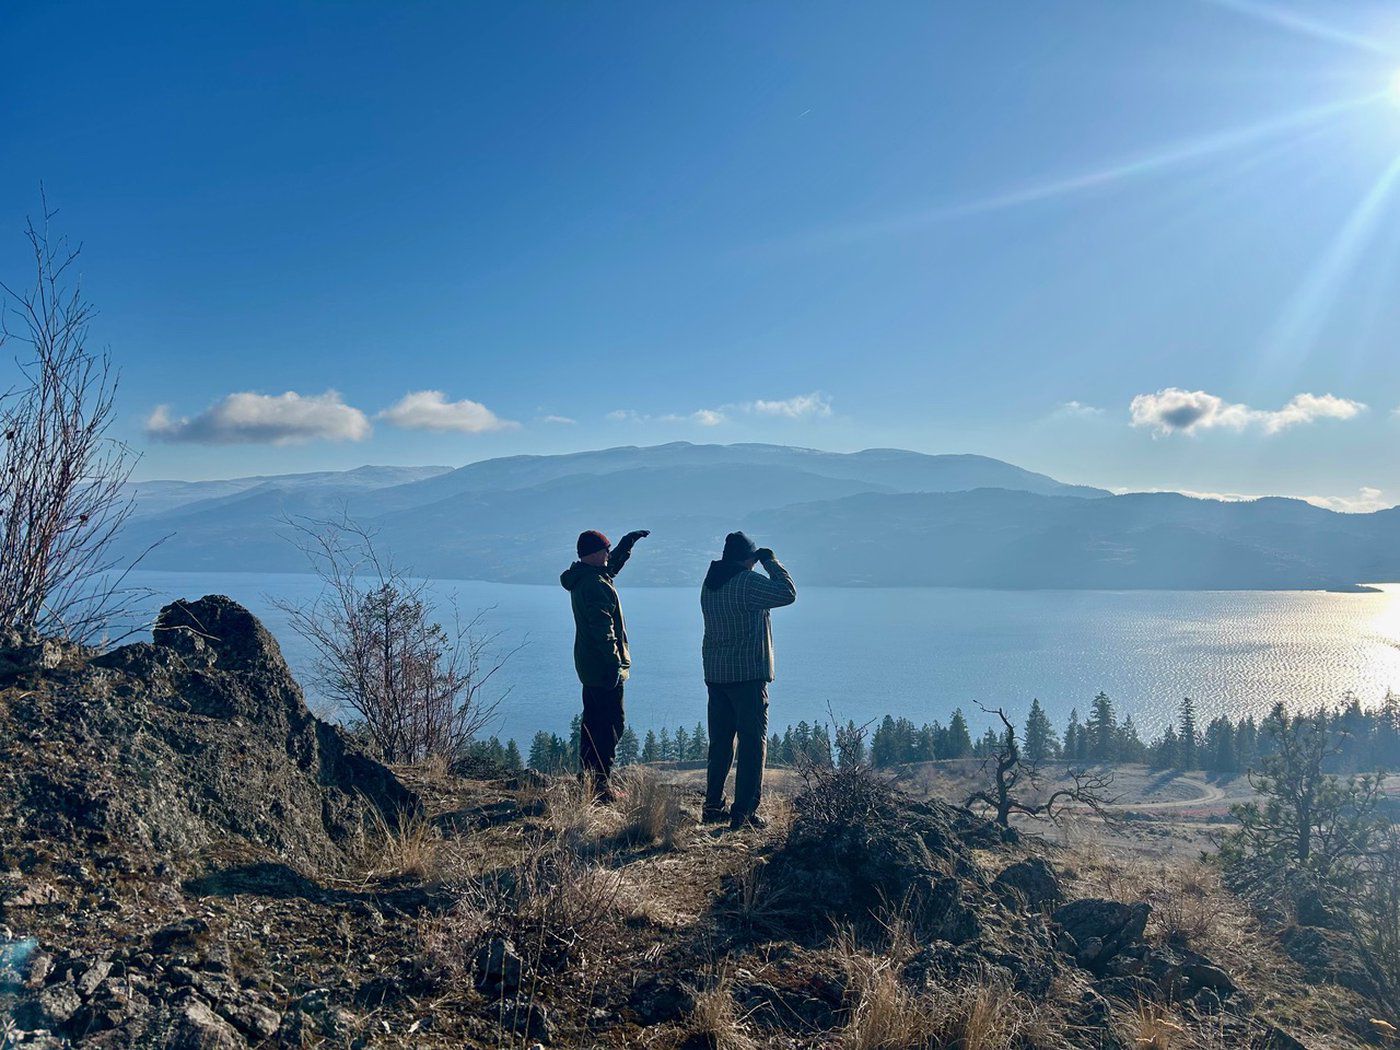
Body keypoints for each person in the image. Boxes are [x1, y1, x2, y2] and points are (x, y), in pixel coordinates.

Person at [700, 531, 796, 829]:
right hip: (747, 677)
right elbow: (787, 592)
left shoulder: (710, 582)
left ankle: (713, 805)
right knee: (752, 744)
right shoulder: (747, 582)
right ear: (747, 559)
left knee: (720, 743)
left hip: (716, 675)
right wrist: (771, 561)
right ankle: (743, 813)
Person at [560, 527, 649, 801]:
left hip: (588, 666)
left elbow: (610, 568)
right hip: (603, 669)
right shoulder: (596, 585)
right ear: (597, 554)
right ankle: (601, 787)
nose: (610, 555)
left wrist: (626, 546)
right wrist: (614, 665)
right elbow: (604, 630)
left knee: (592, 722)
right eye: (607, 550)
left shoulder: (584, 577)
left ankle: (588, 780)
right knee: (611, 725)